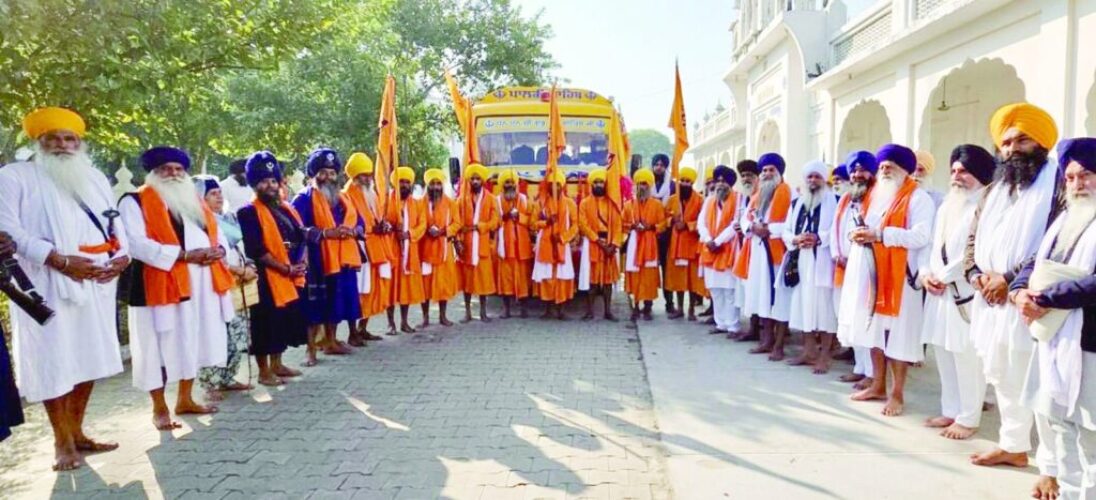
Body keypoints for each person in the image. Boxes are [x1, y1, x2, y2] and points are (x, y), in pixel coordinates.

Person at [0, 107, 129, 469]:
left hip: (97, 282)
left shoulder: (95, 179)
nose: (62, 145)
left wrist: (124, 256)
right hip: (45, 285)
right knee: (53, 361)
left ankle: (78, 431)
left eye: (69, 138)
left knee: (89, 358)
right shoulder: (15, 176)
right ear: (38, 142)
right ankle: (61, 442)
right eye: (52, 138)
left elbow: (114, 226)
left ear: (79, 143)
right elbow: (7, 230)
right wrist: (58, 260)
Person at [966, 102, 1062, 468]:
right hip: (991, 301)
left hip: (1031, 299)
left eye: (1022, 140)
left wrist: (1007, 280)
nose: (1012, 149)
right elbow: (972, 241)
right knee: (1004, 376)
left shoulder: (1058, 187)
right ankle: (1013, 445)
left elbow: (1054, 244)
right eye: (1006, 143)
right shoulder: (993, 191)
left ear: (1042, 142)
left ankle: (1053, 464)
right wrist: (978, 277)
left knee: (1039, 382)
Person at [120, 146, 235, 430]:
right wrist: (184, 256)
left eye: (178, 169)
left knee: (192, 341)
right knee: (156, 346)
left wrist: (219, 251)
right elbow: (134, 243)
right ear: (153, 173)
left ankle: (185, 398)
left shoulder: (195, 202)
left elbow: (217, 235)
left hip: (202, 284)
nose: (173, 174)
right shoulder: (134, 201)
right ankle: (159, 408)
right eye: (166, 169)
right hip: (159, 284)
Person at [1012, 137, 1096, 500]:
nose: (1078, 184)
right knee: (1059, 423)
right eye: (1072, 177)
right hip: (1054, 338)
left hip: (1090, 343)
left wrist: (1045, 298)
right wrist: (1019, 292)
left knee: (1091, 435)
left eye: (1088, 175)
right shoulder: (1064, 218)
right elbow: (1033, 263)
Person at [843, 144, 934, 417]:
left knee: (898, 335)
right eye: (881, 167)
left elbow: (920, 236)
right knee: (874, 331)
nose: (884, 171)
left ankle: (897, 394)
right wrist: (856, 234)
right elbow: (861, 227)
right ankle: (877, 385)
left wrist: (880, 235)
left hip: (901, 278)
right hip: (871, 274)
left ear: (904, 170)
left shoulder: (918, 198)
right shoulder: (873, 195)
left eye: (890, 167)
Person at [920, 145, 997, 439]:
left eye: (964, 171)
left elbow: (977, 250)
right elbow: (931, 246)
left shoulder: (987, 206)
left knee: (967, 357)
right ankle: (950, 410)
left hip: (967, 293)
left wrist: (942, 275)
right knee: (943, 352)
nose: (957, 176)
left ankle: (969, 417)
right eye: (953, 170)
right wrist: (927, 274)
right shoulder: (947, 205)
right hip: (940, 294)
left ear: (979, 173)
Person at [236, 151, 308, 387]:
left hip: (290, 274)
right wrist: (285, 268)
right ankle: (264, 371)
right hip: (266, 277)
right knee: (265, 324)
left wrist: (302, 262)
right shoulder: (248, 212)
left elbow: (302, 236)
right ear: (255, 184)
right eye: (264, 181)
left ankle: (278, 364)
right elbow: (256, 249)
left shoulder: (286, 208)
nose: (270, 185)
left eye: (273, 180)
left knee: (283, 321)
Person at [291, 148, 362, 364]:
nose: (328, 177)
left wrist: (353, 231)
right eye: (323, 172)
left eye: (332, 173)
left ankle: (331, 341)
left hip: (343, 259)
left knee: (337, 303)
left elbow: (360, 224)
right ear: (313, 174)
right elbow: (297, 229)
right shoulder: (304, 198)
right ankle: (310, 350)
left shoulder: (344, 198)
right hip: (316, 260)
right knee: (314, 307)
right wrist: (325, 233)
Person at [193, 176, 256, 401]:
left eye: (220, 192)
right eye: (212, 193)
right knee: (213, 334)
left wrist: (248, 265)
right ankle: (210, 383)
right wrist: (237, 270)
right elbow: (212, 255)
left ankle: (228, 377)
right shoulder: (198, 223)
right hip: (214, 285)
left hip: (238, 283)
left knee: (236, 334)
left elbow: (241, 245)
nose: (219, 196)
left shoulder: (228, 218)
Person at [735, 153, 793, 361]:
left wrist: (767, 229)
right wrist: (752, 227)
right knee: (762, 297)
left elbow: (790, 224)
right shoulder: (758, 194)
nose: (767, 174)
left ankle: (778, 345)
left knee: (779, 299)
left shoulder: (787, 192)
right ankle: (766, 341)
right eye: (765, 170)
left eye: (771, 170)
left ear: (779, 173)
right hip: (758, 252)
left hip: (777, 253)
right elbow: (744, 219)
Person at [782, 161, 838, 374]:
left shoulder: (834, 201)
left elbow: (837, 230)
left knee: (824, 310)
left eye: (817, 177)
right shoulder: (796, 203)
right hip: (801, 262)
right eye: (809, 177)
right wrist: (796, 239)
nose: (813, 181)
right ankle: (808, 352)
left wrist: (818, 238)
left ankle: (824, 356)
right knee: (803, 307)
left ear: (824, 179)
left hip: (823, 261)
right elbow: (786, 231)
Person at [833, 151, 879, 389]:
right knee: (851, 317)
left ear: (872, 172)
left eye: (862, 170)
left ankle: (872, 374)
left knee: (866, 318)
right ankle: (860, 368)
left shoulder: (878, 196)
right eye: (854, 170)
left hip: (868, 265)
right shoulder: (846, 198)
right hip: (847, 266)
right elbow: (836, 228)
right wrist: (836, 253)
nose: (857, 174)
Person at [342, 152, 392, 342]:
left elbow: (376, 217)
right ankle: (352, 332)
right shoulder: (346, 195)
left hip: (377, 248)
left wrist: (383, 225)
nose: (368, 178)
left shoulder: (372, 193)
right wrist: (373, 228)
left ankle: (363, 328)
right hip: (359, 250)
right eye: (363, 175)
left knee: (372, 290)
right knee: (359, 291)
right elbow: (352, 223)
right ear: (354, 177)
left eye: (369, 174)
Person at [698, 166, 741, 334]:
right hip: (710, 249)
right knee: (715, 290)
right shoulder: (709, 200)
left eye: (724, 181)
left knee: (729, 290)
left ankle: (733, 325)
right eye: (718, 181)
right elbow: (701, 223)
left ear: (730, 183)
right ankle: (720, 323)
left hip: (728, 249)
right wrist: (709, 240)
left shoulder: (738, 199)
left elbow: (735, 224)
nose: (720, 184)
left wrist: (718, 241)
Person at [532, 169, 578, 319]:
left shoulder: (570, 203)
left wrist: (564, 238)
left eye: (557, 185)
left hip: (561, 244)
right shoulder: (541, 202)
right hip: (545, 244)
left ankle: (561, 310)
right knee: (546, 276)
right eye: (552, 184)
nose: (554, 188)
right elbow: (533, 224)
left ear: (562, 186)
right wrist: (546, 222)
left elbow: (575, 225)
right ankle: (548, 309)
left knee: (562, 276)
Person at [384, 166, 426, 333]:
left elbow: (422, 225)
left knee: (405, 289)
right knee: (390, 288)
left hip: (410, 251)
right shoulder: (387, 201)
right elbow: (383, 221)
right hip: (392, 249)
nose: (404, 185)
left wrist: (409, 234)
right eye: (401, 181)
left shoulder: (416, 204)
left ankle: (404, 322)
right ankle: (390, 323)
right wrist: (394, 225)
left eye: (407, 182)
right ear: (395, 183)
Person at [577, 167, 623, 321]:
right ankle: (589, 311)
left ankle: (608, 311)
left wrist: (614, 244)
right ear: (591, 184)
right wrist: (598, 241)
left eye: (601, 182)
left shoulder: (612, 203)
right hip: (593, 244)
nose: (598, 185)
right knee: (592, 280)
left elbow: (618, 225)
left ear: (605, 184)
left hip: (610, 245)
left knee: (608, 281)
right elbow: (583, 225)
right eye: (595, 182)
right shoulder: (584, 203)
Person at [623, 168, 667, 321]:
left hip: (649, 243)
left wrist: (652, 227)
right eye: (640, 184)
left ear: (650, 186)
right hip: (635, 243)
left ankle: (648, 307)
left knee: (648, 275)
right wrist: (632, 226)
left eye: (645, 184)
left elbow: (663, 224)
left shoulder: (657, 205)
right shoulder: (629, 205)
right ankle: (635, 306)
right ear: (636, 186)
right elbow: (623, 224)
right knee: (635, 274)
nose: (642, 187)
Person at [457, 164, 499, 322]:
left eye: (477, 179)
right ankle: (467, 312)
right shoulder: (462, 199)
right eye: (472, 179)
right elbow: (457, 222)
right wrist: (459, 242)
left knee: (484, 281)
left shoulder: (491, 199)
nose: (475, 181)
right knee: (467, 280)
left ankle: (483, 312)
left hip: (482, 245)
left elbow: (495, 221)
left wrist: (480, 226)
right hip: (467, 245)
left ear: (482, 181)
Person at [420, 168, 460, 327]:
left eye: (438, 184)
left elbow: (457, 223)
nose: (436, 187)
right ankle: (425, 318)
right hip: (426, 247)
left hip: (444, 247)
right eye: (432, 184)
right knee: (425, 284)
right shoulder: (420, 202)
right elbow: (417, 222)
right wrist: (427, 230)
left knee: (443, 284)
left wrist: (444, 231)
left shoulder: (450, 203)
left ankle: (443, 316)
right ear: (428, 186)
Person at [665, 167, 705, 321]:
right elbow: (663, 219)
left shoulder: (700, 200)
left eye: (688, 181)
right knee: (679, 278)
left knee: (692, 280)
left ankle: (691, 310)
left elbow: (703, 222)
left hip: (692, 245)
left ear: (692, 183)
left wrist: (688, 225)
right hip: (676, 245)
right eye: (682, 180)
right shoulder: (672, 200)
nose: (684, 183)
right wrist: (672, 221)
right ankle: (680, 308)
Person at [496, 169, 536, 319]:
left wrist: (519, 217)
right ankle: (506, 309)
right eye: (507, 182)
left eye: (512, 182)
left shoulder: (524, 200)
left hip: (521, 246)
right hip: (505, 246)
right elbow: (493, 221)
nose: (510, 185)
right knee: (505, 278)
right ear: (502, 184)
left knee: (523, 279)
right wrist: (505, 217)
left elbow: (532, 221)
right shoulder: (497, 201)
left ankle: (523, 309)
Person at [729, 159, 761, 340]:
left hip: (758, 248)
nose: (746, 179)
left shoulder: (762, 194)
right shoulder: (743, 196)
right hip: (743, 248)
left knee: (756, 288)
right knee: (747, 289)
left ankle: (757, 329)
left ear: (757, 178)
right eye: (743, 176)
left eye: (750, 175)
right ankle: (752, 326)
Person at [649, 154, 678, 314]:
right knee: (649, 269)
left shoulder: (673, 186)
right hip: (648, 234)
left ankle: (669, 303)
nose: (659, 167)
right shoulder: (645, 184)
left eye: (662, 165)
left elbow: (674, 208)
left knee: (667, 269)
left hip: (667, 235)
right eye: (656, 164)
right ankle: (647, 304)